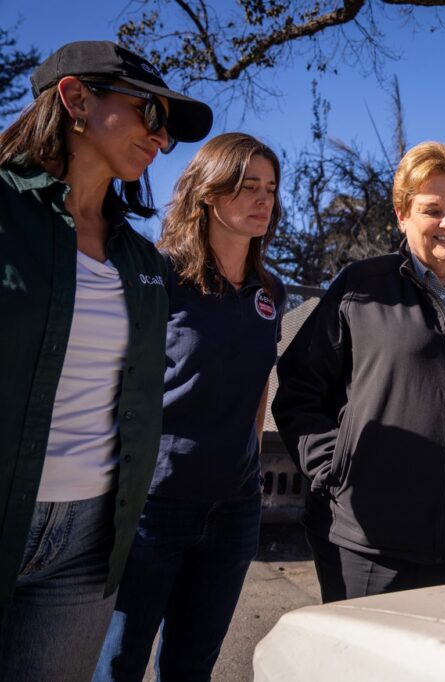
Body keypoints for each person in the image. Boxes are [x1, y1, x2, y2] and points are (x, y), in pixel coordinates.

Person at [0, 41, 212, 681]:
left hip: (90, 542)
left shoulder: (141, 262)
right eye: (150, 112)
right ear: (75, 100)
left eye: (169, 129)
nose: (162, 138)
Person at [272, 141, 445, 601]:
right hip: (365, 541)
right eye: (432, 210)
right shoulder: (361, 289)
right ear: (403, 214)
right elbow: (299, 389)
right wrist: (334, 469)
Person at [92, 133, 287, 681]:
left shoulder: (269, 291)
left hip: (234, 510)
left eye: (270, 188)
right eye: (247, 186)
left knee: (191, 668)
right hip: (155, 508)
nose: (263, 200)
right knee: (118, 665)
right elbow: (118, 386)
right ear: (207, 192)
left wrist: (245, 468)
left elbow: (257, 387)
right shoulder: (159, 277)